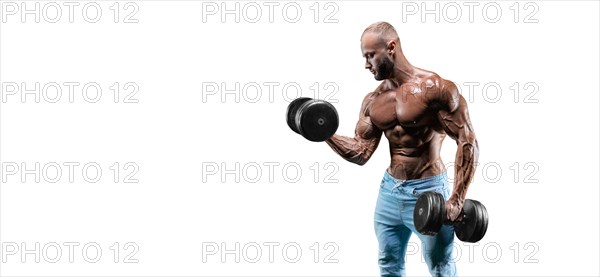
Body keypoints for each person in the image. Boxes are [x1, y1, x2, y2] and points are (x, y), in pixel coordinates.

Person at [324, 21, 479, 277]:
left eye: (370, 55)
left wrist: (457, 199)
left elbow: (467, 141)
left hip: (429, 192)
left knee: (440, 266)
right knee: (388, 263)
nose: (366, 64)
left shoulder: (436, 89)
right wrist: (324, 133)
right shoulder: (372, 101)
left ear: (391, 47)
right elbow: (361, 152)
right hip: (389, 193)